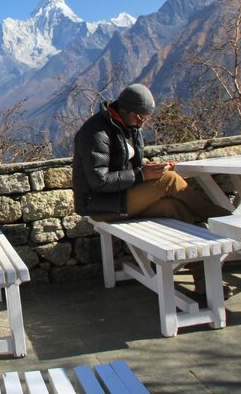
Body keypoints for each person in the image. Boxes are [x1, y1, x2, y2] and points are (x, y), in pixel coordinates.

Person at [72, 83, 232, 297]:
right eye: (139, 116)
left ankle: (204, 280)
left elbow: (132, 164)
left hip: (121, 198)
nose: (142, 121)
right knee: (169, 181)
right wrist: (142, 176)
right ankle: (227, 221)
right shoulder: (95, 131)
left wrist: (153, 169)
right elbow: (98, 181)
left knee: (173, 207)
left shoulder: (130, 128)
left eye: (145, 117)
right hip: (100, 204)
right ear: (124, 109)